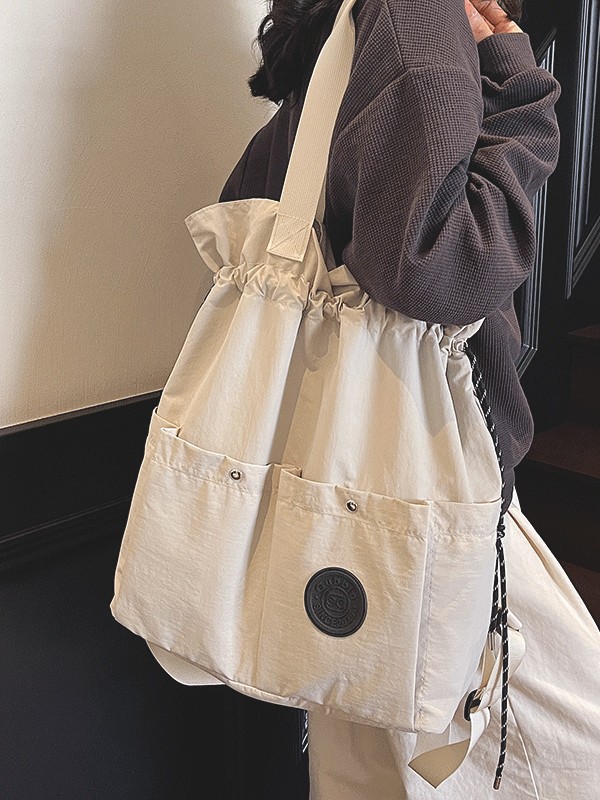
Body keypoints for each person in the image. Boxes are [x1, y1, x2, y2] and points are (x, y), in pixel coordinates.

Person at [218, 1, 600, 796]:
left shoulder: (353, 32)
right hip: (426, 489)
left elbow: (249, 206)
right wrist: (523, 94)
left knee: (365, 769)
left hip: (329, 483)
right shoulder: (418, 19)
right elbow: (444, 268)